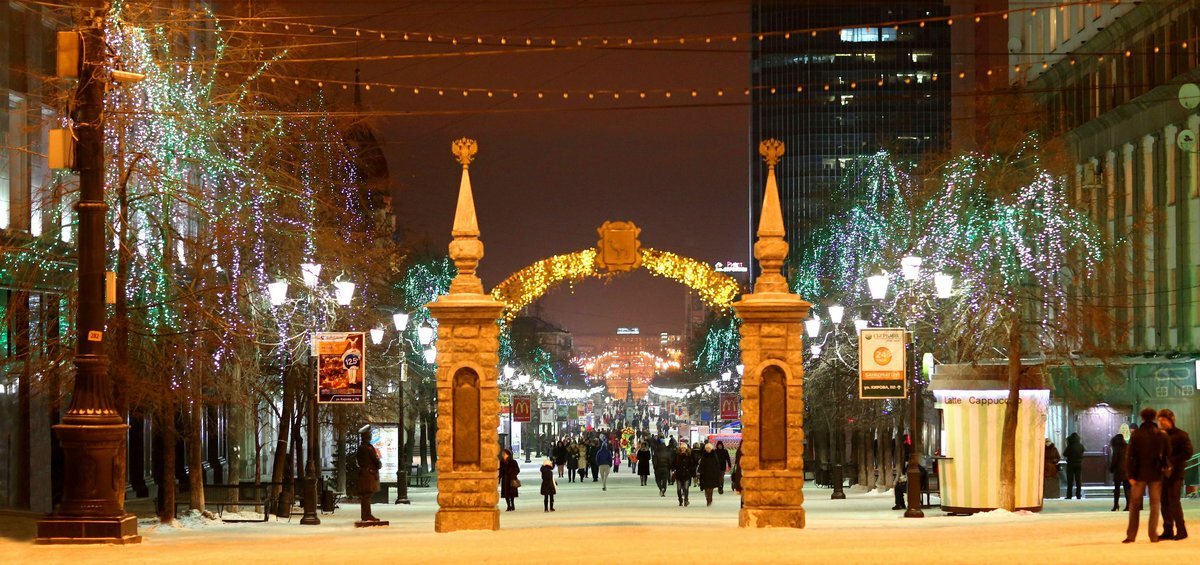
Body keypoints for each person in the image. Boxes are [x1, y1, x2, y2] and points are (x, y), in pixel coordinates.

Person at [1124, 407, 1171, 543]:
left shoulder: (1136, 434)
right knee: (1155, 505)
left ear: (1142, 418)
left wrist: (1130, 475)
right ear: (1155, 417)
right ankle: (1153, 534)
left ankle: (1131, 535)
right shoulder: (1161, 435)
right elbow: (1168, 454)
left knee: (1134, 505)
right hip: (1156, 474)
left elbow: (1130, 456)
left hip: (1139, 474)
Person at [1158, 409, 1192, 540]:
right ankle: (1168, 530)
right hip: (1161, 473)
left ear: (1171, 420)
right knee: (1164, 503)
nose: (1161, 423)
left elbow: (1188, 452)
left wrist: (1171, 462)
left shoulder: (1181, 435)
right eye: (1159, 421)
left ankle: (1181, 530)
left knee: (1174, 502)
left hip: (1176, 473)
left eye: (1164, 420)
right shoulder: (1159, 435)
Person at [355, 427, 382, 522]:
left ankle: (365, 515)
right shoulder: (368, 448)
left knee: (365, 496)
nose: (370, 436)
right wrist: (379, 464)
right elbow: (376, 461)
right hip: (369, 474)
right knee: (367, 495)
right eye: (369, 435)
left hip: (363, 473)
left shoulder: (361, 448)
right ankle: (367, 515)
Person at [1109, 434, 1130, 512]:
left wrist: (1111, 468)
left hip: (1118, 470)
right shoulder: (1128, 447)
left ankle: (1116, 505)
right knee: (1127, 488)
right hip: (1127, 470)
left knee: (1117, 488)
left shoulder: (1116, 448)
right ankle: (1128, 505)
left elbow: (1114, 460)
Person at [1063, 433, 1085, 499]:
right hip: (1079, 464)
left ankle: (1069, 495)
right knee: (1078, 480)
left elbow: (1064, 454)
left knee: (1070, 480)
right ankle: (1078, 495)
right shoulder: (1081, 446)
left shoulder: (1070, 446)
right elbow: (1083, 451)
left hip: (1070, 464)